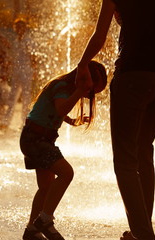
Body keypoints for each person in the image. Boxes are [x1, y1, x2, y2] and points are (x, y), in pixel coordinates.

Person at [76, 1, 155, 240]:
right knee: (144, 152)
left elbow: (99, 36)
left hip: (131, 78)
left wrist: (82, 64)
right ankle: (141, 230)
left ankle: (143, 234)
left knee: (125, 161)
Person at [20, 60, 107, 240]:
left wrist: (72, 121)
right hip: (36, 139)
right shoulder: (61, 86)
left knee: (45, 188)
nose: (89, 95)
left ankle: (31, 230)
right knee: (67, 173)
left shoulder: (63, 88)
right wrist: (80, 91)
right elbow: (60, 109)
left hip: (38, 138)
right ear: (83, 79)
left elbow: (56, 110)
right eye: (91, 90)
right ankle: (44, 220)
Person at [0, 17, 35, 130]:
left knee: (26, 97)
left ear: (24, 28)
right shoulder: (15, 40)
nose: (18, 29)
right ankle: (6, 122)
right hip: (16, 72)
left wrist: (34, 71)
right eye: (17, 27)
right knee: (12, 96)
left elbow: (33, 56)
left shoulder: (28, 40)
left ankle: (25, 122)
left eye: (21, 27)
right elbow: (12, 56)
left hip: (26, 71)